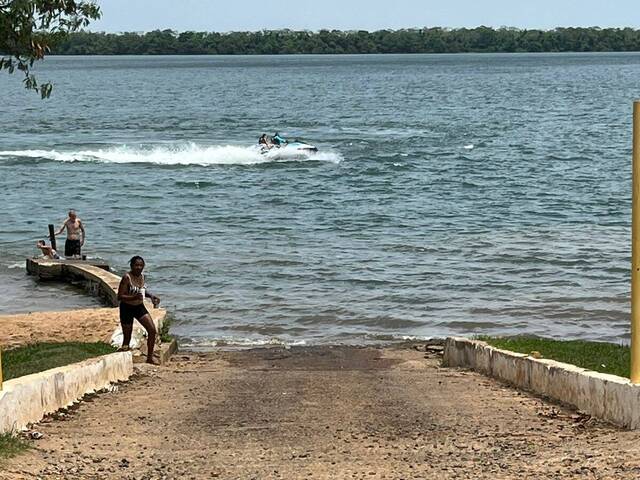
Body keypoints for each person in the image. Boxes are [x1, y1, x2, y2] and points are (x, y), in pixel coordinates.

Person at [117, 256, 161, 364]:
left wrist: (151, 296)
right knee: (127, 339)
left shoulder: (142, 277)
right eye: (136, 265)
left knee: (152, 330)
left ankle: (149, 358)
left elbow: (141, 291)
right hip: (126, 308)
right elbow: (120, 296)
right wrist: (133, 298)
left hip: (138, 307)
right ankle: (124, 361)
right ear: (131, 266)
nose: (138, 267)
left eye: (141, 265)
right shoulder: (127, 278)